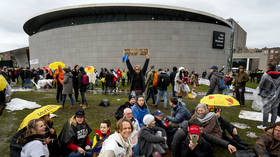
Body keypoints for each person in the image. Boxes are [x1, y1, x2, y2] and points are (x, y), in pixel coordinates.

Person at [171, 121, 236, 157]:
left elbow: (212, 138)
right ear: (189, 133)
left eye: (198, 132)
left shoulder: (203, 140)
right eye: (200, 130)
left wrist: (227, 145)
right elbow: (174, 146)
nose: (202, 132)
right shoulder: (181, 134)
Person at [257, 64, 280, 130]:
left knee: (266, 110)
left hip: (267, 95)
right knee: (274, 111)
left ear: (269, 68)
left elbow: (261, 84)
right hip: (277, 96)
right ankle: (272, 125)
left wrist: (260, 92)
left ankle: (264, 125)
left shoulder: (265, 75)